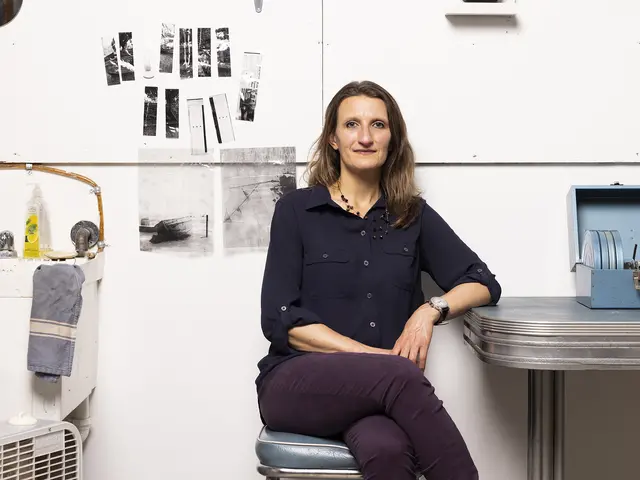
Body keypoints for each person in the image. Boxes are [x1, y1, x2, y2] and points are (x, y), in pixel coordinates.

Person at [256, 80, 501, 480]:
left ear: (393, 138)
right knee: (401, 377)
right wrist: (372, 358)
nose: (365, 137)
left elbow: (482, 282)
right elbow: (281, 320)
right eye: (351, 125)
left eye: (378, 125)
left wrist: (429, 310)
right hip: (295, 381)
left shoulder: (411, 215)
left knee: (388, 451)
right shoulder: (297, 210)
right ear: (333, 138)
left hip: (378, 393)